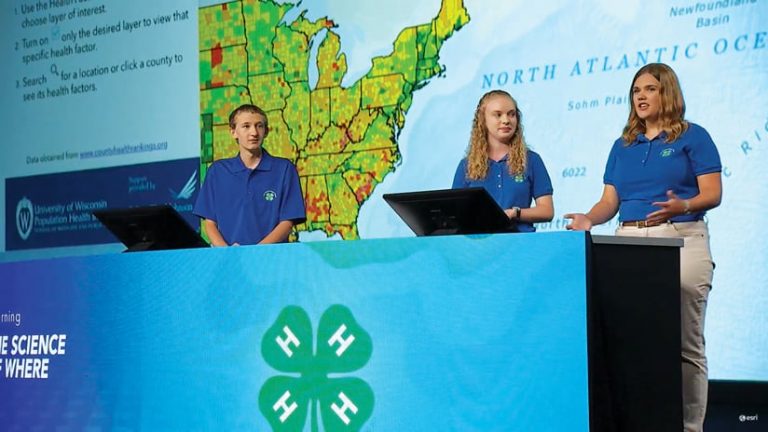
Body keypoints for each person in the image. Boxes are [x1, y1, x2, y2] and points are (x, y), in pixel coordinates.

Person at [565, 63, 721, 432]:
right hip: (628, 243)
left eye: (650, 88)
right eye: (636, 90)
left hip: (680, 238)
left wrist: (682, 205)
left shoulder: (693, 137)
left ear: (667, 92)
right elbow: (610, 201)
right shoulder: (622, 146)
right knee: (629, 342)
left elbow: (713, 193)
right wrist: (590, 218)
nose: (641, 96)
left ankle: (689, 427)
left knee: (686, 343)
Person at [193, 103, 306, 246]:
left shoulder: (284, 169)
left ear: (266, 131)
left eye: (259, 126)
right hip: (231, 260)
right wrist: (227, 252)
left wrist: (255, 253)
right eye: (246, 126)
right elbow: (209, 222)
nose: (254, 132)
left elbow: (288, 223)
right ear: (233, 132)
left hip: (271, 259)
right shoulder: (217, 171)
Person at [452, 89, 554, 232]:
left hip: (520, 243)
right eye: (498, 115)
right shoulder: (466, 165)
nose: (506, 120)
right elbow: (455, 214)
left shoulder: (532, 160)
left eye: (511, 114)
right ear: (483, 120)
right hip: (480, 246)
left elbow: (547, 211)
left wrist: (516, 213)